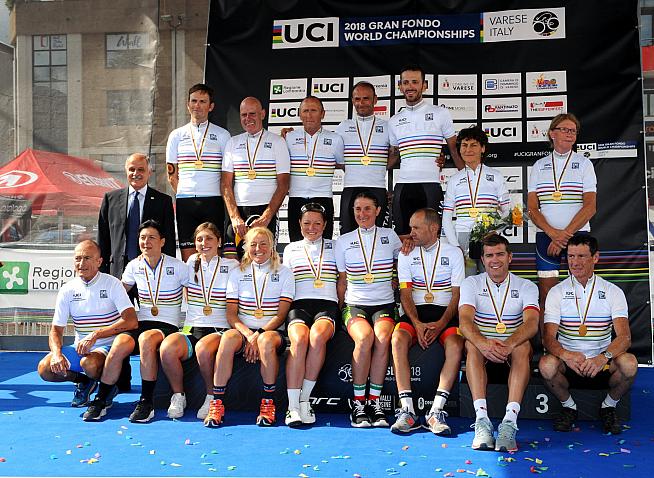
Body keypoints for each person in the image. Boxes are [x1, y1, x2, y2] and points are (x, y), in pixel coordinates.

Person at [83, 221, 188, 422]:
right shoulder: (134, 265)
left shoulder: (178, 266)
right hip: (142, 321)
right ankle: (102, 398)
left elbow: (196, 293)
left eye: (151, 238)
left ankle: (146, 401)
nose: (146, 242)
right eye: (142, 238)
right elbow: (119, 293)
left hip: (167, 325)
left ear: (162, 241)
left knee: (146, 339)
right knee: (120, 342)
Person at [539, 235, 637, 435]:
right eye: (571, 256)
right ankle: (569, 407)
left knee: (630, 364)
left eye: (581, 256)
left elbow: (625, 337)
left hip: (602, 364)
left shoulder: (613, 291)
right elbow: (548, 338)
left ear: (596, 257)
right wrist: (567, 355)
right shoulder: (557, 292)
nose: (575, 262)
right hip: (569, 364)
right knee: (546, 365)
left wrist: (603, 357)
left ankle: (608, 406)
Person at [204, 227, 294, 427]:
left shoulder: (285, 273)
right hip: (244, 331)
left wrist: (258, 334)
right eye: (253, 244)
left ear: (272, 247)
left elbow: (281, 315)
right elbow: (231, 314)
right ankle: (217, 403)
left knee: (266, 341)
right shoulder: (237, 272)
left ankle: (268, 403)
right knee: (228, 338)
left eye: (263, 244)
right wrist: (248, 334)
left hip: (270, 332)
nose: (258, 249)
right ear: (246, 248)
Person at [458, 234, 539, 452]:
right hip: (483, 345)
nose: (495, 260)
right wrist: (484, 344)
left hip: (512, 346)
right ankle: (482, 421)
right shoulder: (471, 283)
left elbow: (532, 324)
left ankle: (509, 423)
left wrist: (509, 344)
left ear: (510, 257)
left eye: (500, 254)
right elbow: (465, 322)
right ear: (483, 260)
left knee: (523, 347)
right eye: (489, 255)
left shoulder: (526, 286)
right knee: (471, 345)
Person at [390, 208, 464, 434]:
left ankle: (436, 411)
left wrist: (441, 324)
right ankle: (407, 410)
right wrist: (417, 323)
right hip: (416, 314)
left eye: (416, 228)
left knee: (456, 344)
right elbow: (405, 293)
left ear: (433, 228)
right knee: (397, 339)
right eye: (410, 227)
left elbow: (457, 295)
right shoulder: (406, 253)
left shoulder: (454, 253)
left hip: (444, 314)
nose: (410, 233)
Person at [37, 240, 137, 408]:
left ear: (99, 261)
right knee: (45, 369)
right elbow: (56, 330)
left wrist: (96, 335)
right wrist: (56, 354)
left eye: (87, 258)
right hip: (80, 349)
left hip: (107, 347)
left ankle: (108, 385)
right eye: (78, 258)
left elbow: (131, 321)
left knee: (88, 364)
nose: (81, 263)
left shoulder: (112, 283)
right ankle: (84, 381)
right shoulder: (67, 289)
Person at [159, 222, 239, 420]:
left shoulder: (231, 266)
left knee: (203, 348)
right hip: (193, 328)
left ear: (219, 241)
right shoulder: (190, 263)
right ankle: (179, 396)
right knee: (167, 349)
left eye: (209, 238)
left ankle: (211, 396)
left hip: (220, 329)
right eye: (199, 239)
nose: (204, 243)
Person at [335, 191, 402, 428]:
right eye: (357, 209)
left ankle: (374, 402)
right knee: (364, 338)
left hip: (384, 304)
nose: (362, 214)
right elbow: (342, 280)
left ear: (377, 211)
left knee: (382, 338)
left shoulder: (390, 236)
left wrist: (396, 277)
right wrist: (339, 310)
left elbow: (403, 261)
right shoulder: (343, 241)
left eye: (367, 209)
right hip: (355, 305)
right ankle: (358, 404)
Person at [527, 113, 597, 326]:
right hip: (546, 237)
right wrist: (553, 234)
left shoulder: (584, 164)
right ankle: (549, 343)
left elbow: (590, 207)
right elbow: (532, 209)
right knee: (547, 292)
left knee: (581, 288)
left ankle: (581, 338)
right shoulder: (539, 165)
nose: (569, 134)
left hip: (578, 236)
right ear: (552, 134)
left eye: (573, 131)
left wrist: (564, 236)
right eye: (564, 129)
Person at [388, 65, 464, 241]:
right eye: (406, 82)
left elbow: (454, 149)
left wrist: (468, 179)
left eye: (415, 82)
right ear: (400, 86)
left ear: (424, 85)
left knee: (431, 238)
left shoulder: (440, 113)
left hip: (430, 186)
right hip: (403, 186)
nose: (410, 86)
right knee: (404, 239)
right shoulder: (394, 121)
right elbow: (393, 156)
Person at [282, 203, 339, 426]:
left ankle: (304, 400)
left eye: (317, 223)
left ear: (325, 225)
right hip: (299, 305)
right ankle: (292, 407)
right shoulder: (291, 249)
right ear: (299, 224)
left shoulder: (337, 246)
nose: (311, 228)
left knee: (317, 337)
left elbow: (344, 279)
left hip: (328, 305)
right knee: (299, 339)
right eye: (307, 223)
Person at [166, 83, 231, 261]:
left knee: (213, 256)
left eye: (203, 102)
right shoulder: (176, 135)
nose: (197, 105)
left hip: (213, 201)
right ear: (188, 104)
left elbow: (227, 175)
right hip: (185, 202)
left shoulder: (223, 135)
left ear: (211, 106)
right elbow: (171, 174)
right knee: (189, 259)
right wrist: (184, 194)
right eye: (194, 101)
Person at [222, 97, 290, 255]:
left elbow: (284, 184)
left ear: (263, 114)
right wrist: (235, 217)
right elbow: (225, 184)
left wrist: (266, 217)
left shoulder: (277, 142)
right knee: (235, 261)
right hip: (239, 212)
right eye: (243, 115)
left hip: (266, 211)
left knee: (265, 259)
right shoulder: (232, 143)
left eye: (252, 113)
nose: (248, 118)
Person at [442, 125, 510, 275]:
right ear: (459, 149)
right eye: (464, 145)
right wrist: (455, 247)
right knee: (467, 282)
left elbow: (507, 211)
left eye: (473, 145)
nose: (468, 150)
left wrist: (495, 232)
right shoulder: (454, 180)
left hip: (490, 236)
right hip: (462, 236)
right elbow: (446, 217)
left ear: (483, 148)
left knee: (492, 278)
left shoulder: (496, 176)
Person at [98, 153, 176, 279]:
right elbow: (103, 238)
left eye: (141, 169)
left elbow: (169, 241)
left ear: (149, 172)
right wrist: (102, 272)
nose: (136, 173)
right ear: (126, 171)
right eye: (132, 169)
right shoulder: (110, 199)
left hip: (151, 271)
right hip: (117, 271)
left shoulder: (163, 202)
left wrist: (168, 273)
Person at [285, 96, 344, 241]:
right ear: (299, 114)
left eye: (313, 110)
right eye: (305, 111)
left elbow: (342, 164)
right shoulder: (289, 137)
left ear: (322, 114)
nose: (309, 115)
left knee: (324, 244)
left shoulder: (335, 139)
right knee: (296, 244)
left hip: (323, 197)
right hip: (296, 198)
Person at [335, 81, 391, 234]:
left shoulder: (387, 126)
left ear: (375, 100)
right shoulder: (343, 127)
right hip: (350, 187)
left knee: (379, 235)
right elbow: (332, 156)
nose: (361, 103)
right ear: (352, 101)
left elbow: (397, 153)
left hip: (377, 187)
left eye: (366, 98)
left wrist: (380, 167)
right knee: (347, 235)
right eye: (357, 99)